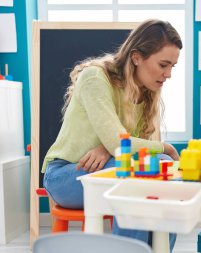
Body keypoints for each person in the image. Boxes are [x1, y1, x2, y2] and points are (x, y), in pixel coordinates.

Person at [42, 19, 182, 252]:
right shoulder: (95, 78)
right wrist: (164, 147)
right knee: (146, 170)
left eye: (172, 67)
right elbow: (122, 145)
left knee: (159, 171)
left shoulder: (146, 94)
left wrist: (111, 147)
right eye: (163, 65)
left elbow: (123, 147)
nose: (168, 74)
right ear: (136, 57)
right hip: (67, 175)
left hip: (111, 169)